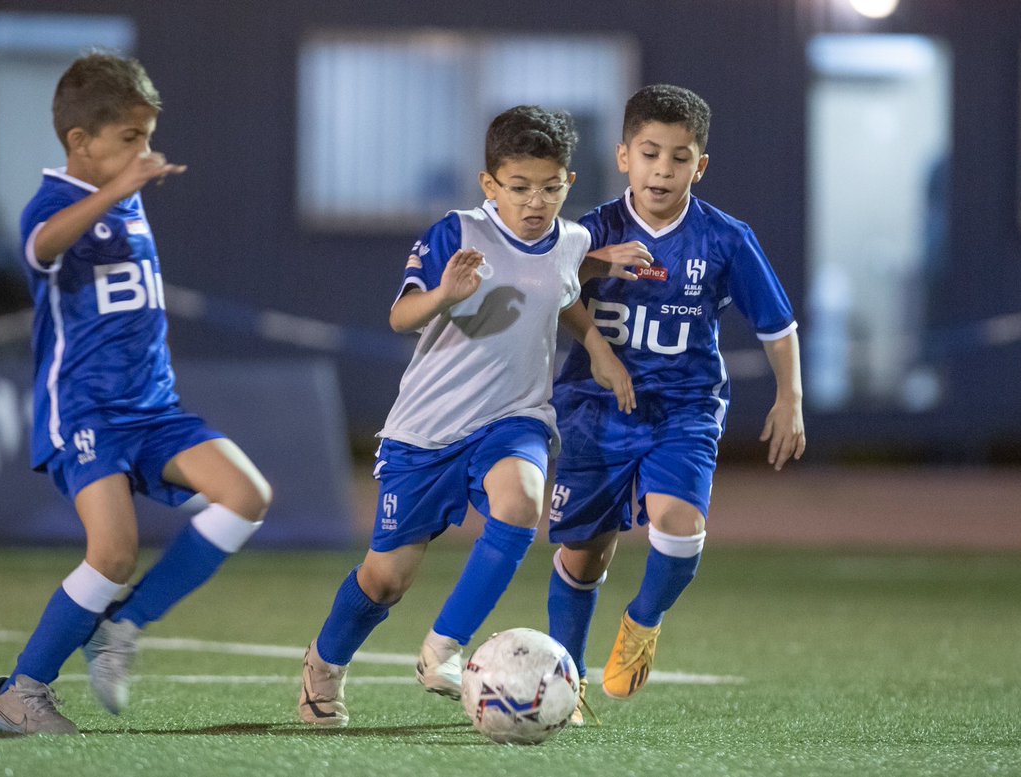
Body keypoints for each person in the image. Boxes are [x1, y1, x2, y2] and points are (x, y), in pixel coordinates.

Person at [297, 105, 640, 728]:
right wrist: (443, 296)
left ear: (567, 182)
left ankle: (443, 648)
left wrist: (597, 333)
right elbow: (401, 317)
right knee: (385, 580)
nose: (535, 201)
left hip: (515, 419)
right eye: (519, 187)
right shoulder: (455, 233)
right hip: (426, 433)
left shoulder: (572, 240)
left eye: (550, 186)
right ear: (490, 185)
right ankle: (324, 665)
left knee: (522, 501)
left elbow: (562, 287)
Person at [0, 52, 272, 735]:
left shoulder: (127, 193)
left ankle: (123, 626)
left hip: (155, 407)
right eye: (129, 139)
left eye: (147, 137)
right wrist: (116, 191)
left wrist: (125, 185)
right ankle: (19, 693)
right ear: (79, 142)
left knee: (246, 495)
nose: (144, 152)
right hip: (87, 411)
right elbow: (41, 248)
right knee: (113, 551)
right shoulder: (55, 202)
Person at [546, 84, 806, 723]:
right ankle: (567, 683)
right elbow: (543, 288)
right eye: (650, 153)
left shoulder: (724, 239)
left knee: (679, 526)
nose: (663, 169)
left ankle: (643, 620)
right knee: (586, 553)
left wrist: (790, 397)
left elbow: (777, 325)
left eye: (679, 157)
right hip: (593, 407)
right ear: (624, 157)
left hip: (684, 410)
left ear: (700, 165)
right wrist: (592, 264)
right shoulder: (589, 233)